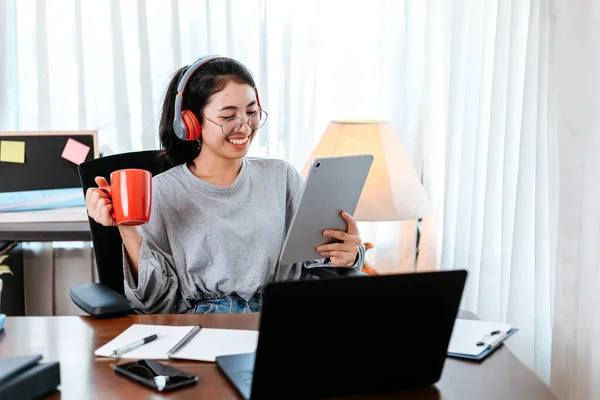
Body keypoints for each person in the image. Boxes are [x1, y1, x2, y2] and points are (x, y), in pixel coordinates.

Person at [85, 56, 365, 314]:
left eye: (252, 112)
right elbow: (155, 302)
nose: (243, 126)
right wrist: (127, 225)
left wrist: (350, 253)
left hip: (282, 317)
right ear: (190, 123)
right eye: (228, 116)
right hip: (205, 325)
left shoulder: (282, 177)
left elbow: (317, 264)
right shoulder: (161, 192)